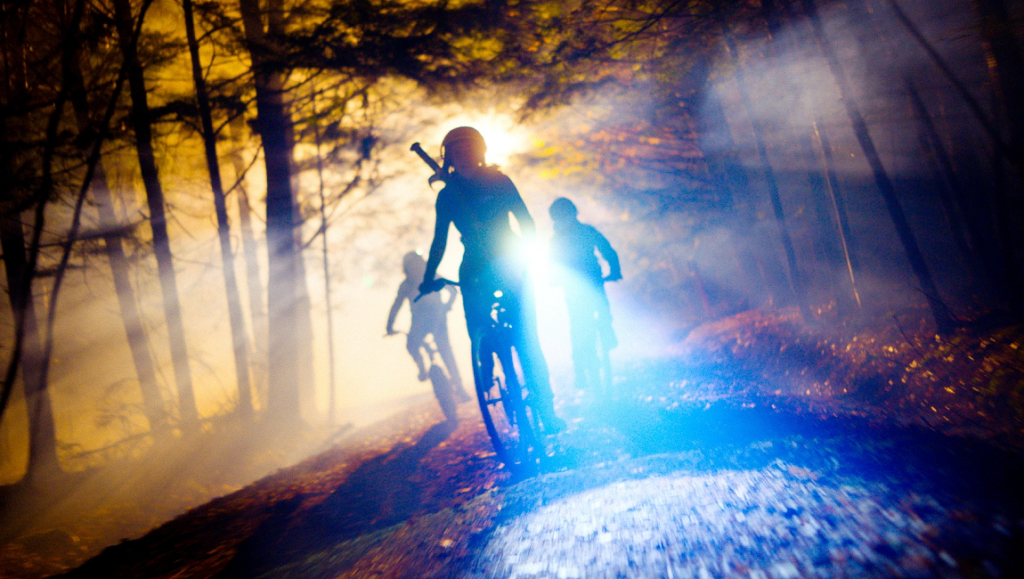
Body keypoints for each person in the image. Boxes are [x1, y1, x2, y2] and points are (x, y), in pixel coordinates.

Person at [418, 126, 565, 433]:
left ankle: (546, 410)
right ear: (450, 158)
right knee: (480, 327)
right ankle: (485, 355)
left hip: (510, 264)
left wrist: (529, 254)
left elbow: (525, 221)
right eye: (458, 152)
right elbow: (439, 242)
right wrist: (428, 277)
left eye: (469, 150)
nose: (465, 156)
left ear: (481, 152)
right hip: (475, 268)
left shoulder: (499, 182)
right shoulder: (447, 196)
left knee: (527, 338)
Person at [548, 197, 622, 393]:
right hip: (592, 280)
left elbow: (549, 266)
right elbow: (607, 250)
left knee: (577, 326)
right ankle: (606, 333)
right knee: (599, 309)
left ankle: (580, 371)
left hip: (573, 287)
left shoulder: (554, 240)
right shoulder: (586, 231)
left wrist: (552, 281)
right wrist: (614, 271)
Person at [387, 251, 472, 412]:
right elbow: (396, 306)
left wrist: (447, 306)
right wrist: (389, 325)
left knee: (442, 350)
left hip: (435, 320)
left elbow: (452, 290)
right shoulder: (411, 283)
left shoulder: (427, 277)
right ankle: (427, 370)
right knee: (421, 346)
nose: (416, 269)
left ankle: (457, 386)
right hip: (425, 321)